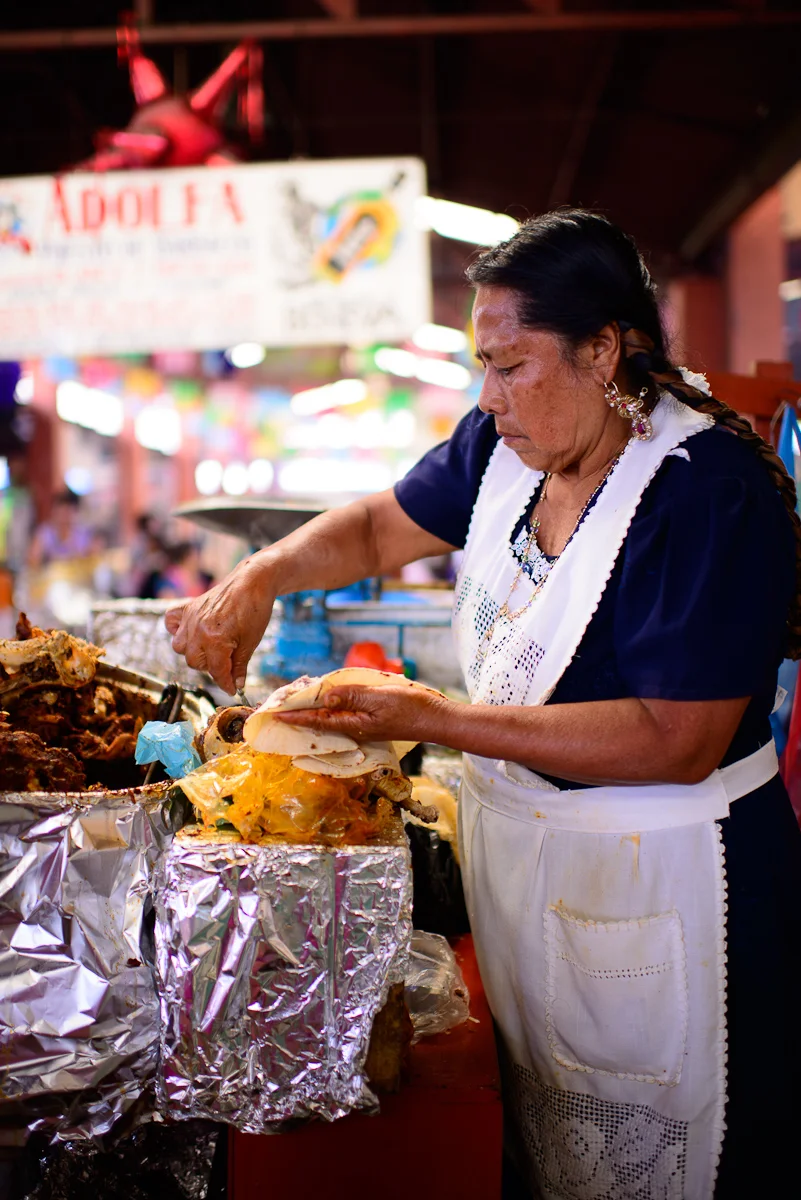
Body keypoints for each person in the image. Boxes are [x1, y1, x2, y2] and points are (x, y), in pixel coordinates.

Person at [165, 210, 801, 1199]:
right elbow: (381, 527)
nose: (488, 396)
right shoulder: (505, 445)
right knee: (557, 1147)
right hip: (537, 884)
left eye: (511, 365)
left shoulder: (702, 487)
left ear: (605, 350)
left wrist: (435, 717)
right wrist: (261, 575)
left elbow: (679, 738)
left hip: (675, 887)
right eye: (480, 365)